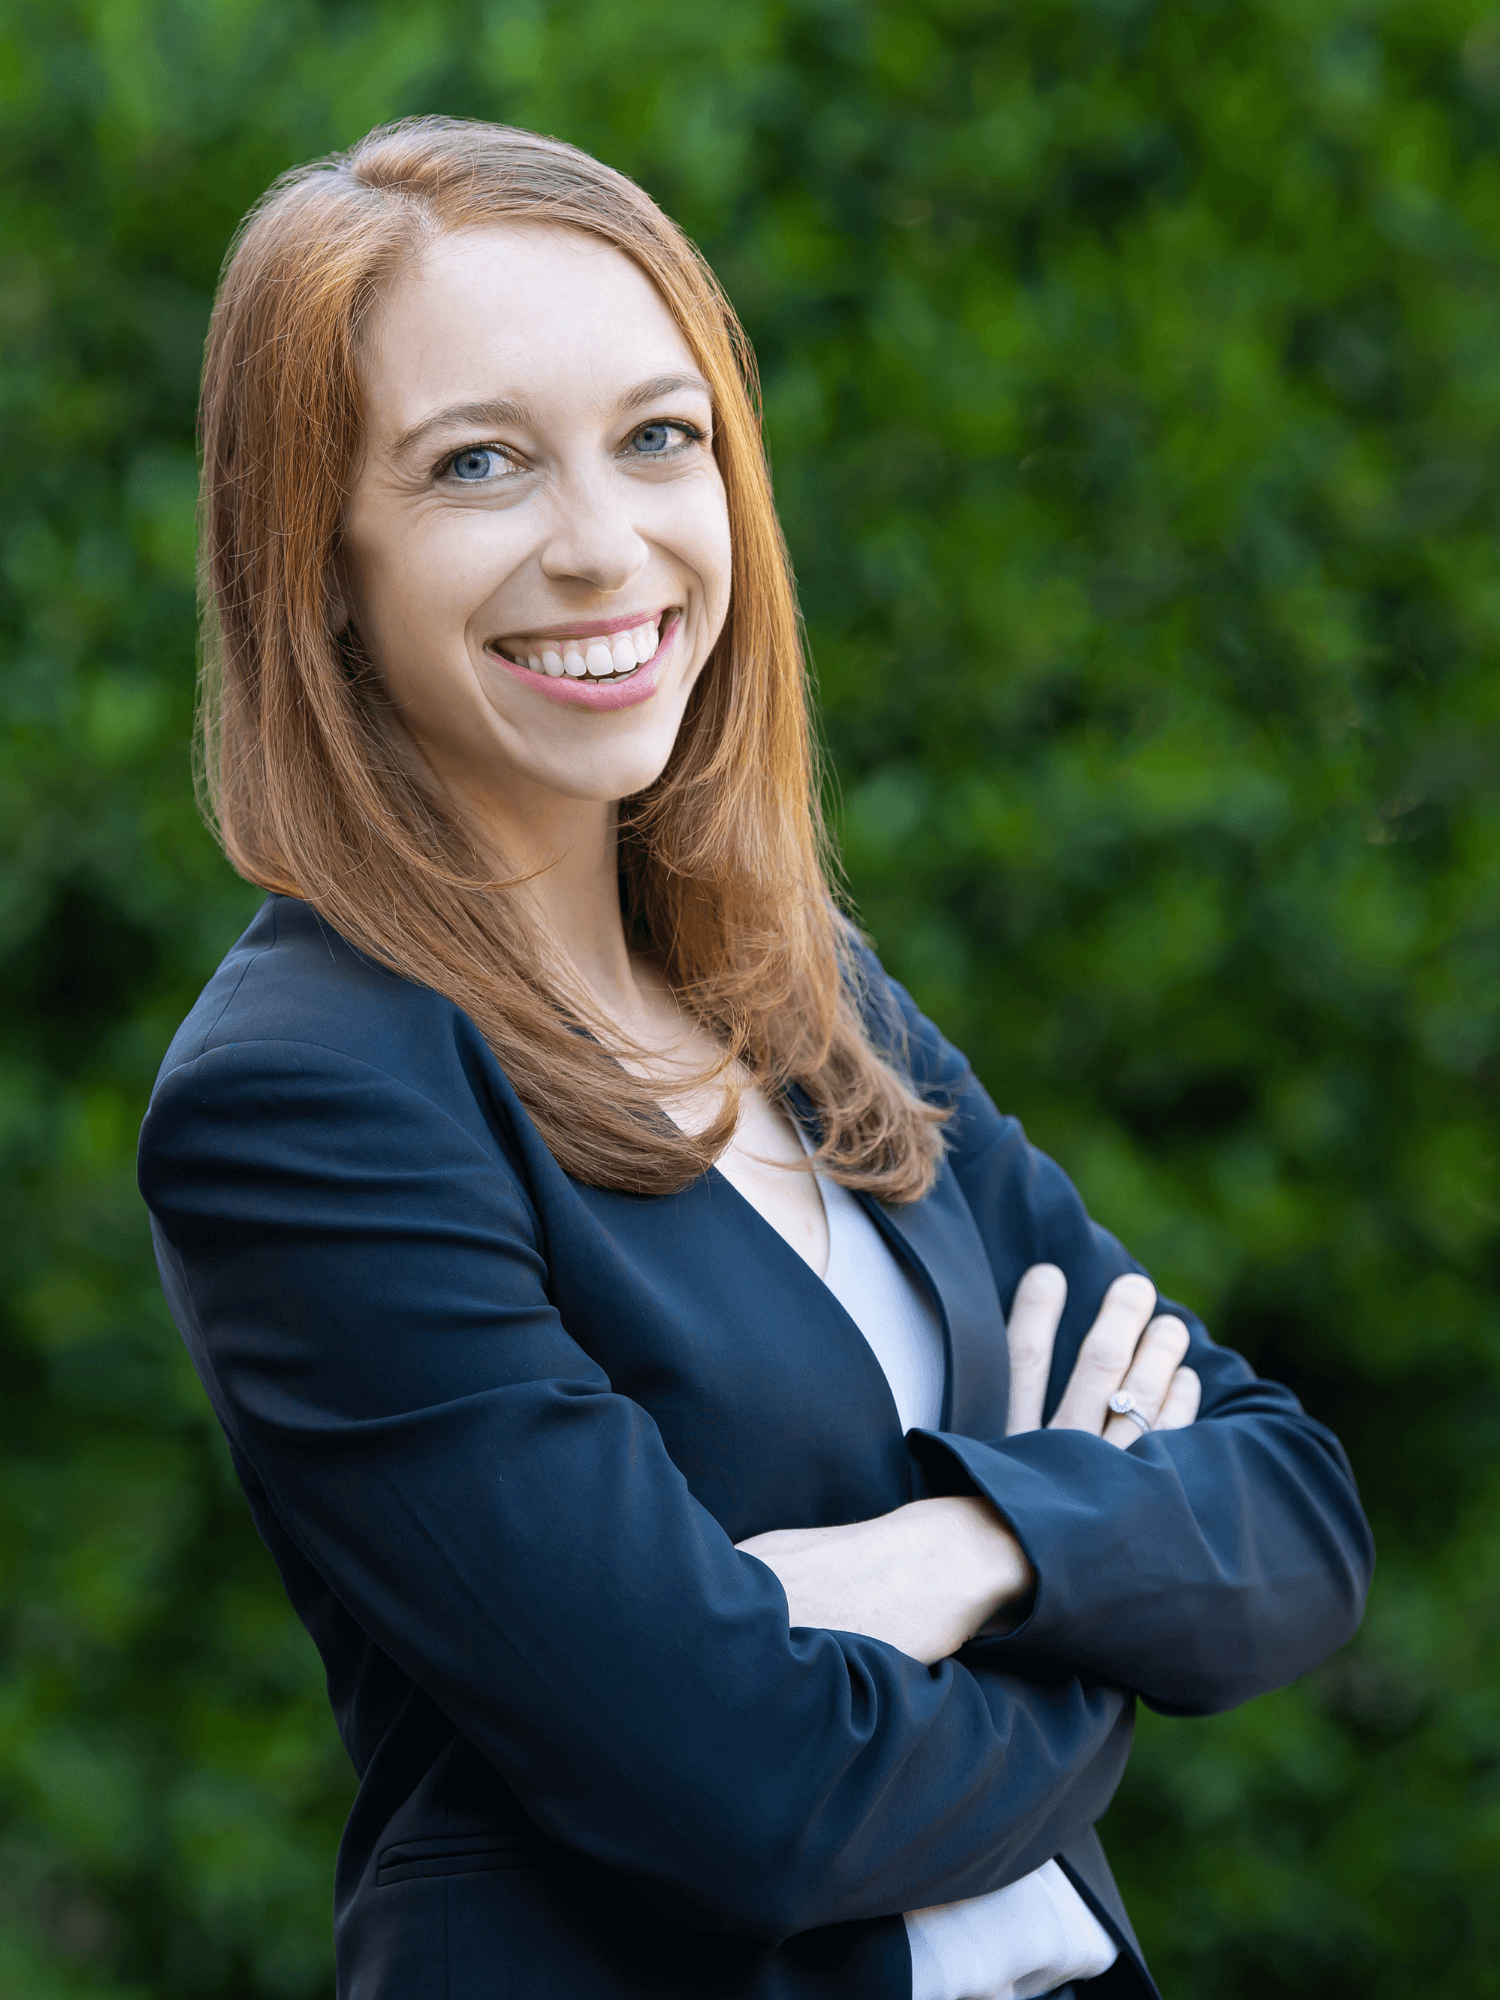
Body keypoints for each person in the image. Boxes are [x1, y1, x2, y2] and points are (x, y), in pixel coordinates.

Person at [137, 116, 1373, 2000]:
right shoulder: (309, 1101)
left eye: (660, 437)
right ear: (318, 563)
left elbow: (1293, 1515)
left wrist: (964, 1558)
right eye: (479, 465)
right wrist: (1097, 1603)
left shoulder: (806, 1000)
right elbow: (752, 1790)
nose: (603, 546)